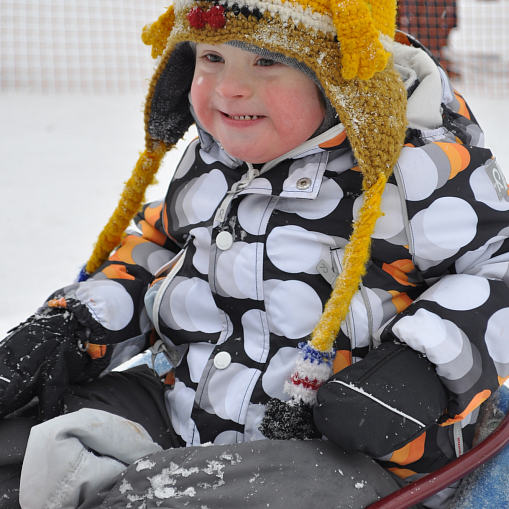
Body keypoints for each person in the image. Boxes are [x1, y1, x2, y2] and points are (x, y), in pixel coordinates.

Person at [0, 0, 508, 508]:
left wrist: (422, 366)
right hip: (187, 405)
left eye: (266, 61)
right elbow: (161, 247)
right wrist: (77, 326)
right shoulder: (216, 155)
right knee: (24, 441)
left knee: (213, 495)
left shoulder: (415, 170)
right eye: (212, 58)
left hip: (342, 450)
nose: (229, 88)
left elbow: (500, 265)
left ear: (337, 77)